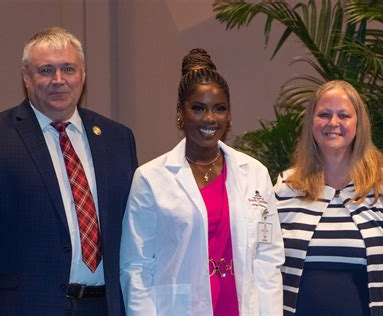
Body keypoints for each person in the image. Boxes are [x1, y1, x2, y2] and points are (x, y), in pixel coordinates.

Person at [0, 26, 137, 315]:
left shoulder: (118, 138)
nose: (58, 80)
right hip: (24, 307)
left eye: (68, 69)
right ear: (26, 77)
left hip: (105, 306)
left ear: (83, 74)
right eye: (45, 70)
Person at [119, 48, 284, 315]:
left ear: (229, 115)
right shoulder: (150, 179)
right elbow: (136, 267)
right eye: (198, 108)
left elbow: (268, 259)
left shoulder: (254, 173)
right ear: (180, 112)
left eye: (219, 109)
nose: (210, 119)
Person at [275, 80, 383, 315]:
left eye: (343, 115)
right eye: (324, 114)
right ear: (311, 122)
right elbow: (265, 263)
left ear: (358, 124)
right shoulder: (286, 186)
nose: (333, 123)